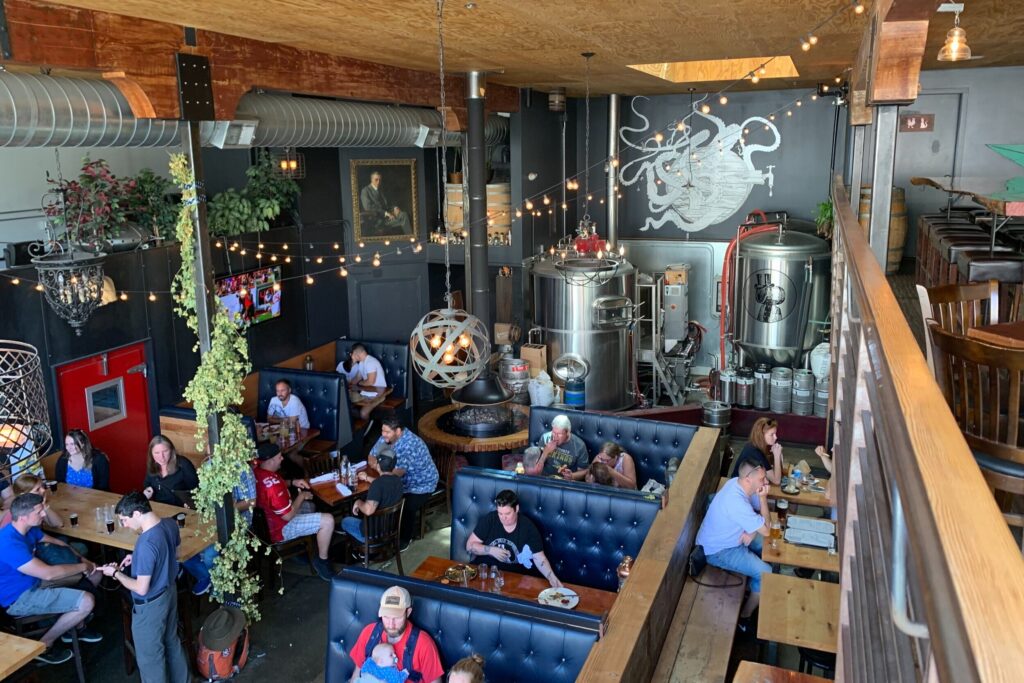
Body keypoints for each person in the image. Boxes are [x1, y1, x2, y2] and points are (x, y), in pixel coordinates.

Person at [0, 493, 102, 665]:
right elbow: (48, 574)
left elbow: (60, 544)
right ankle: (45, 644)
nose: (43, 514)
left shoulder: (29, 529)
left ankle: (73, 627)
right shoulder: (8, 543)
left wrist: (84, 561)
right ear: (23, 517)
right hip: (19, 598)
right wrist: (82, 567)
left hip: (34, 581)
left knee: (96, 572)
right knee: (87, 601)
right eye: (39, 512)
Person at [99, 491, 189, 683]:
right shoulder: (170, 524)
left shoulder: (146, 543)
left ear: (137, 514)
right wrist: (137, 558)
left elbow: (141, 588)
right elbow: (175, 554)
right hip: (169, 591)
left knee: (151, 659)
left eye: (124, 519)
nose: (124, 524)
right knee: (172, 641)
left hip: (151, 606)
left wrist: (115, 573)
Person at [695, 456, 772, 621]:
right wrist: (763, 498)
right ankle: (745, 616)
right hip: (719, 551)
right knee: (766, 573)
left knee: (768, 546)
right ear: (748, 479)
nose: (766, 482)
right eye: (762, 479)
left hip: (734, 537)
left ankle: (756, 590)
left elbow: (757, 514)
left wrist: (752, 531)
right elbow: (766, 529)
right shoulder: (736, 501)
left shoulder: (737, 483)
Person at [252, 442, 335, 581]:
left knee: (309, 507)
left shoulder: (257, 471)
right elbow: (288, 516)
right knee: (328, 521)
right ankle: (322, 561)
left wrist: (293, 482)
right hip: (281, 529)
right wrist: (302, 496)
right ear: (270, 461)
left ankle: (299, 547)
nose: (282, 459)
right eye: (279, 457)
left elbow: (275, 482)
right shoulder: (273, 487)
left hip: (267, 524)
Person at [465, 489, 562, 588]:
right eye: (500, 513)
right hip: (487, 574)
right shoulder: (490, 519)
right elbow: (469, 546)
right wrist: (491, 550)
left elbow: (539, 558)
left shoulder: (528, 527)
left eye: (507, 514)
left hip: (515, 579)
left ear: (516, 508)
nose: (503, 518)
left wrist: (552, 577)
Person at [367, 418, 438, 549]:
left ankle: (404, 540)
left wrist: (377, 468)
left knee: (405, 506)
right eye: (382, 431)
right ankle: (382, 534)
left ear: (398, 431)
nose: (383, 434)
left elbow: (395, 474)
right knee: (382, 495)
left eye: (387, 432)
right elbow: (371, 456)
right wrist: (380, 467)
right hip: (400, 482)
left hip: (421, 484)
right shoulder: (387, 437)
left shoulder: (410, 445)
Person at [348, 585, 444, 683]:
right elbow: (356, 675)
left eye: (397, 618)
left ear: (408, 612)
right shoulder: (369, 633)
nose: (391, 624)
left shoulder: (424, 644)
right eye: (386, 616)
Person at [344, 448, 403, 544]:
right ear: (393, 466)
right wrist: (367, 477)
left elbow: (368, 511)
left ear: (378, 466)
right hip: (390, 530)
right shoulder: (398, 481)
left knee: (345, 521)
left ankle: (359, 548)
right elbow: (383, 483)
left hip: (372, 535)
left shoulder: (377, 485)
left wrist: (358, 502)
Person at [142, 435, 199, 507]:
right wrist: (147, 491)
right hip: (159, 507)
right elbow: (147, 483)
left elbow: (195, 489)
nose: (161, 457)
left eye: (165, 451)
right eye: (157, 453)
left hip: (180, 508)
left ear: (171, 450)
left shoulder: (183, 464)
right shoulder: (153, 464)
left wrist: (190, 502)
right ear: (151, 454)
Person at [343, 344, 390, 421]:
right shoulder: (362, 363)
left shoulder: (370, 362)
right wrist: (347, 385)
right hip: (368, 392)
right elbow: (357, 378)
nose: (351, 355)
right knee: (347, 403)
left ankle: (368, 427)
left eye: (352, 353)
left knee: (363, 413)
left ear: (356, 353)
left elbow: (370, 382)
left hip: (379, 394)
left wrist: (359, 384)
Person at [731, 417, 784, 486]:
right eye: (772, 434)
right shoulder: (755, 453)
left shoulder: (754, 444)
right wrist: (777, 455)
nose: (776, 437)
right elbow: (777, 480)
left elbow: (769, 467)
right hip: (738, 486)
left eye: (775, 434)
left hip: (743, 483)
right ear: (761, 435)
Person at [359, 171, 412, 237]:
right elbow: (368, 207)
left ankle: (409, 237)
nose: (378, 182)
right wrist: (386, 213)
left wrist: (395, 208)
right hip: (377, 220)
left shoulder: (381, 190)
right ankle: (409, 237)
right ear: (371, 179)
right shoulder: (365, 191)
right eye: (376, 180)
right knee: (403, 220)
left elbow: (387, 204)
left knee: (404, 215)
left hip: (388, 216)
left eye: (380, 180)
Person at [565, 442, 637, 489]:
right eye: (601, 458)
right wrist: (572, 476)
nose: (602, 462)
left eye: (606, 460)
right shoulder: (599, 458)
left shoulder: (625, 459)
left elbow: (632, 486)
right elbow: (587, 472)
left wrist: (612, 472)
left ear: (615, 457)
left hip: (625, 495)